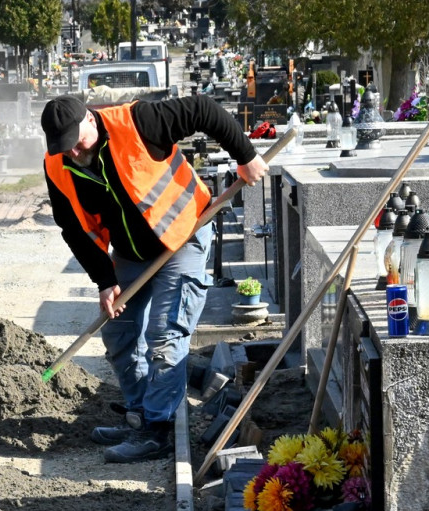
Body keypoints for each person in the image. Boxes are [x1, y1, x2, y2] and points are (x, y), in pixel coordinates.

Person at [40, 94, 267, 463]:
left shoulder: (140, 120)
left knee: (164, 335)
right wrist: (103, 279)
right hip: (132, 254)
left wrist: (246, 155)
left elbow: (205, 110)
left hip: (184, 235)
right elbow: (72, 227)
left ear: (89, 120)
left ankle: (159, 432)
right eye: (64, 147)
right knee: (117, 332)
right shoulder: (57, 163)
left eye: (77, 141)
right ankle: (142, 415)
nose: (73, 152)